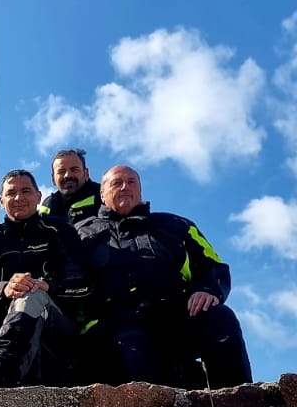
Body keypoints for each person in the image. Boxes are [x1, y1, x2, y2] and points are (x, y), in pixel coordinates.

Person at [74, 164, 252, 388]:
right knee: (137, 357)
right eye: (116, 183)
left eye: (131, 182)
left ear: (140, 190)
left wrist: (208, 289)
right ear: (102, 193)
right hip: (114, 321)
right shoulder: (78, 233)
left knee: (220, 317)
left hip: (173, 313)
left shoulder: (176, 225)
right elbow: (66, 277)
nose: (125, 187)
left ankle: (236, 399)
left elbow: (213, 264)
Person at [0, 169, 91, 387]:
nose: (18, 198)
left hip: (58, 326)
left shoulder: (60, 230)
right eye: (11, 193)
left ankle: (2, 368)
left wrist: (48, 286)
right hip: (2, 322)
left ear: (38, 196)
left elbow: (84, 284)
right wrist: (5, 288)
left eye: (26, 191)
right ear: (1, 201)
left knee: (31, 294)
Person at [39, 148, 102, 224]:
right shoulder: (48, 205)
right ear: (53, 179)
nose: (68, 175)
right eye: (61, 171)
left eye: (74, 170)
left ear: (86, 174)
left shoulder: (102, 195)